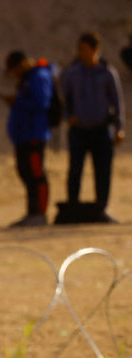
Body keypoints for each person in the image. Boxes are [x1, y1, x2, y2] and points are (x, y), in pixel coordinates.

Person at [60, 32, 125, 222]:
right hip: (78, 130)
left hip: (101, 128)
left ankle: (101, 209)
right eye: (79, 49)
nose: (81, 53)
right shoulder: (72, 73)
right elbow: (63, 99)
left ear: (96, 50)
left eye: (84, 49)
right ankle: (72, 209)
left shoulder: (107, 73)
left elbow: (117, 102)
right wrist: (68, 116)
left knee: (103, 170)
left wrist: (120, 127)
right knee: (75, 170)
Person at [1, 50, 54, 227]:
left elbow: (42, 103)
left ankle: (39, 214)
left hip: (34, 135)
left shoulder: (39, 76)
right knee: (26, 173)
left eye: (15, 69)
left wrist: (17, 101)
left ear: (23, 63)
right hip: (23, 136)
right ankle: (32, 213)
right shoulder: (27, 78)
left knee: (36, 174)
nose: (14, 74)